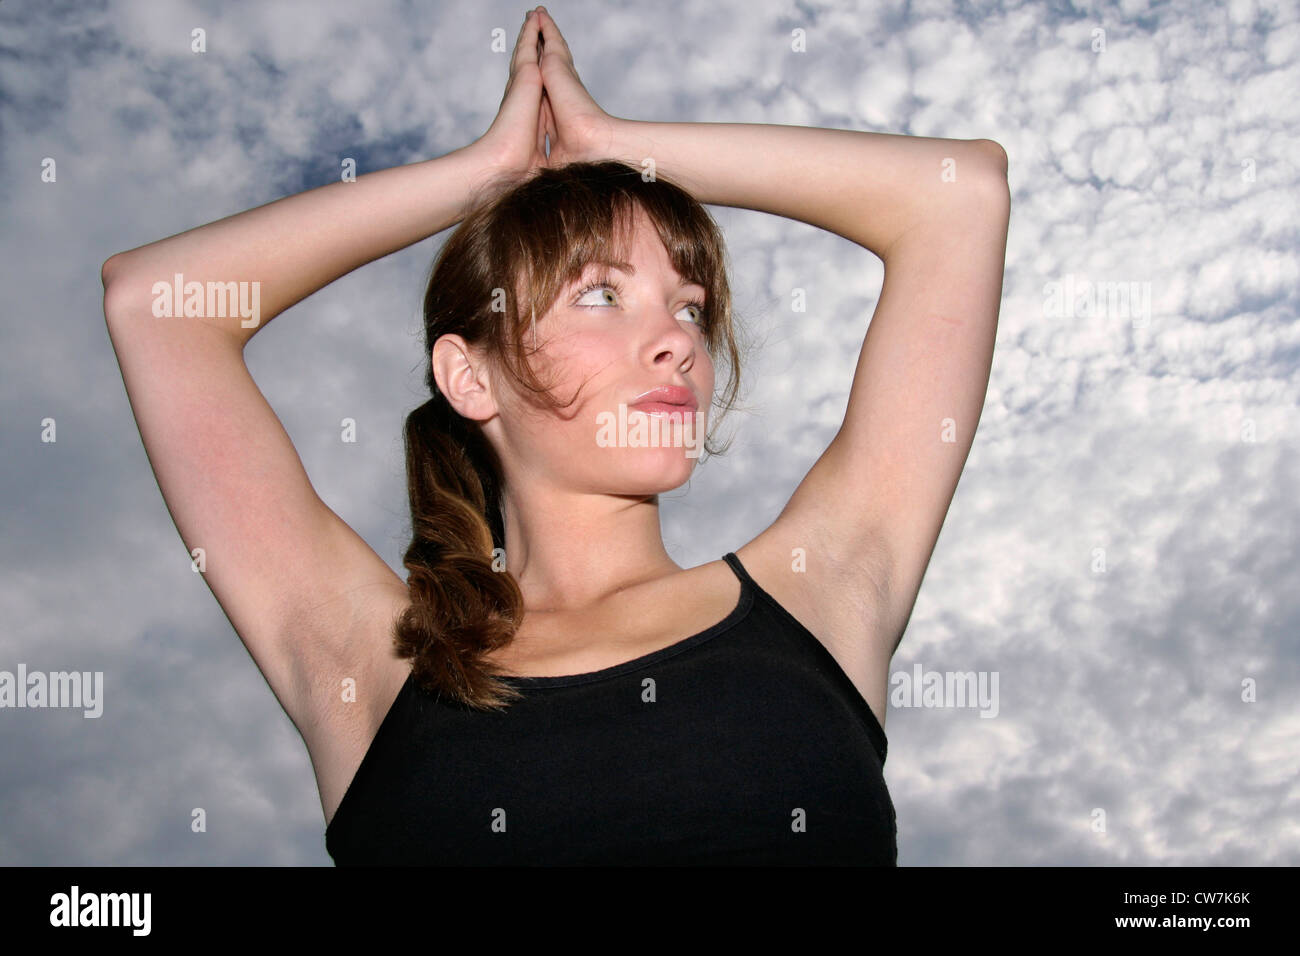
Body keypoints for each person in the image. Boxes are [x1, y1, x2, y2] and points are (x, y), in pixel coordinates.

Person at [100, 6, 1010, 865]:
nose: (677, 343)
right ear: (470, 374)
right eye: (601, 294)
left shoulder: (821, 593)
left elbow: (958, 196)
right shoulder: (373, 668)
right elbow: (158, 307)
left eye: (689, 307)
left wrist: (619, 150)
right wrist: (486, 177)